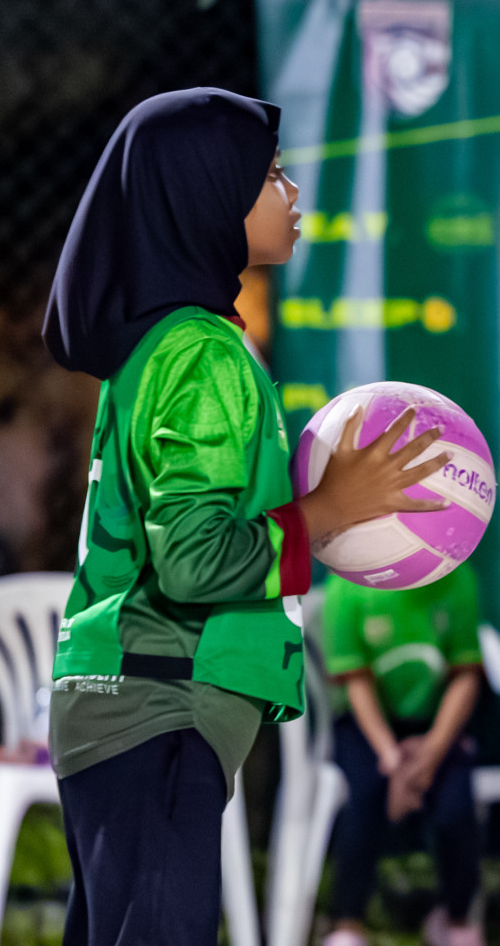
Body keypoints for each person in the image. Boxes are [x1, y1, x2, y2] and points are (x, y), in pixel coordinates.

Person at [44, 87, 451, 946]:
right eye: (269, 176)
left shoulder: (162, 344)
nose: (293, 192)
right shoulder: (204, 353)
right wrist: (329, 511)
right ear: (204, 198)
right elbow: (193, 559)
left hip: (128, 702)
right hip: (159, 704)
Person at [320, 565, 486, 946]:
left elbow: (466, 674)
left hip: (436, 722)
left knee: (456, 805)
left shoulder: (459, 578)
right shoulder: (345, 585)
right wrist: (392, 759)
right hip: (366, 722)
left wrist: (432, 751)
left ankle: (457, 917)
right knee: (364, 793)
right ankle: (346, 922)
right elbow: (355, 679)